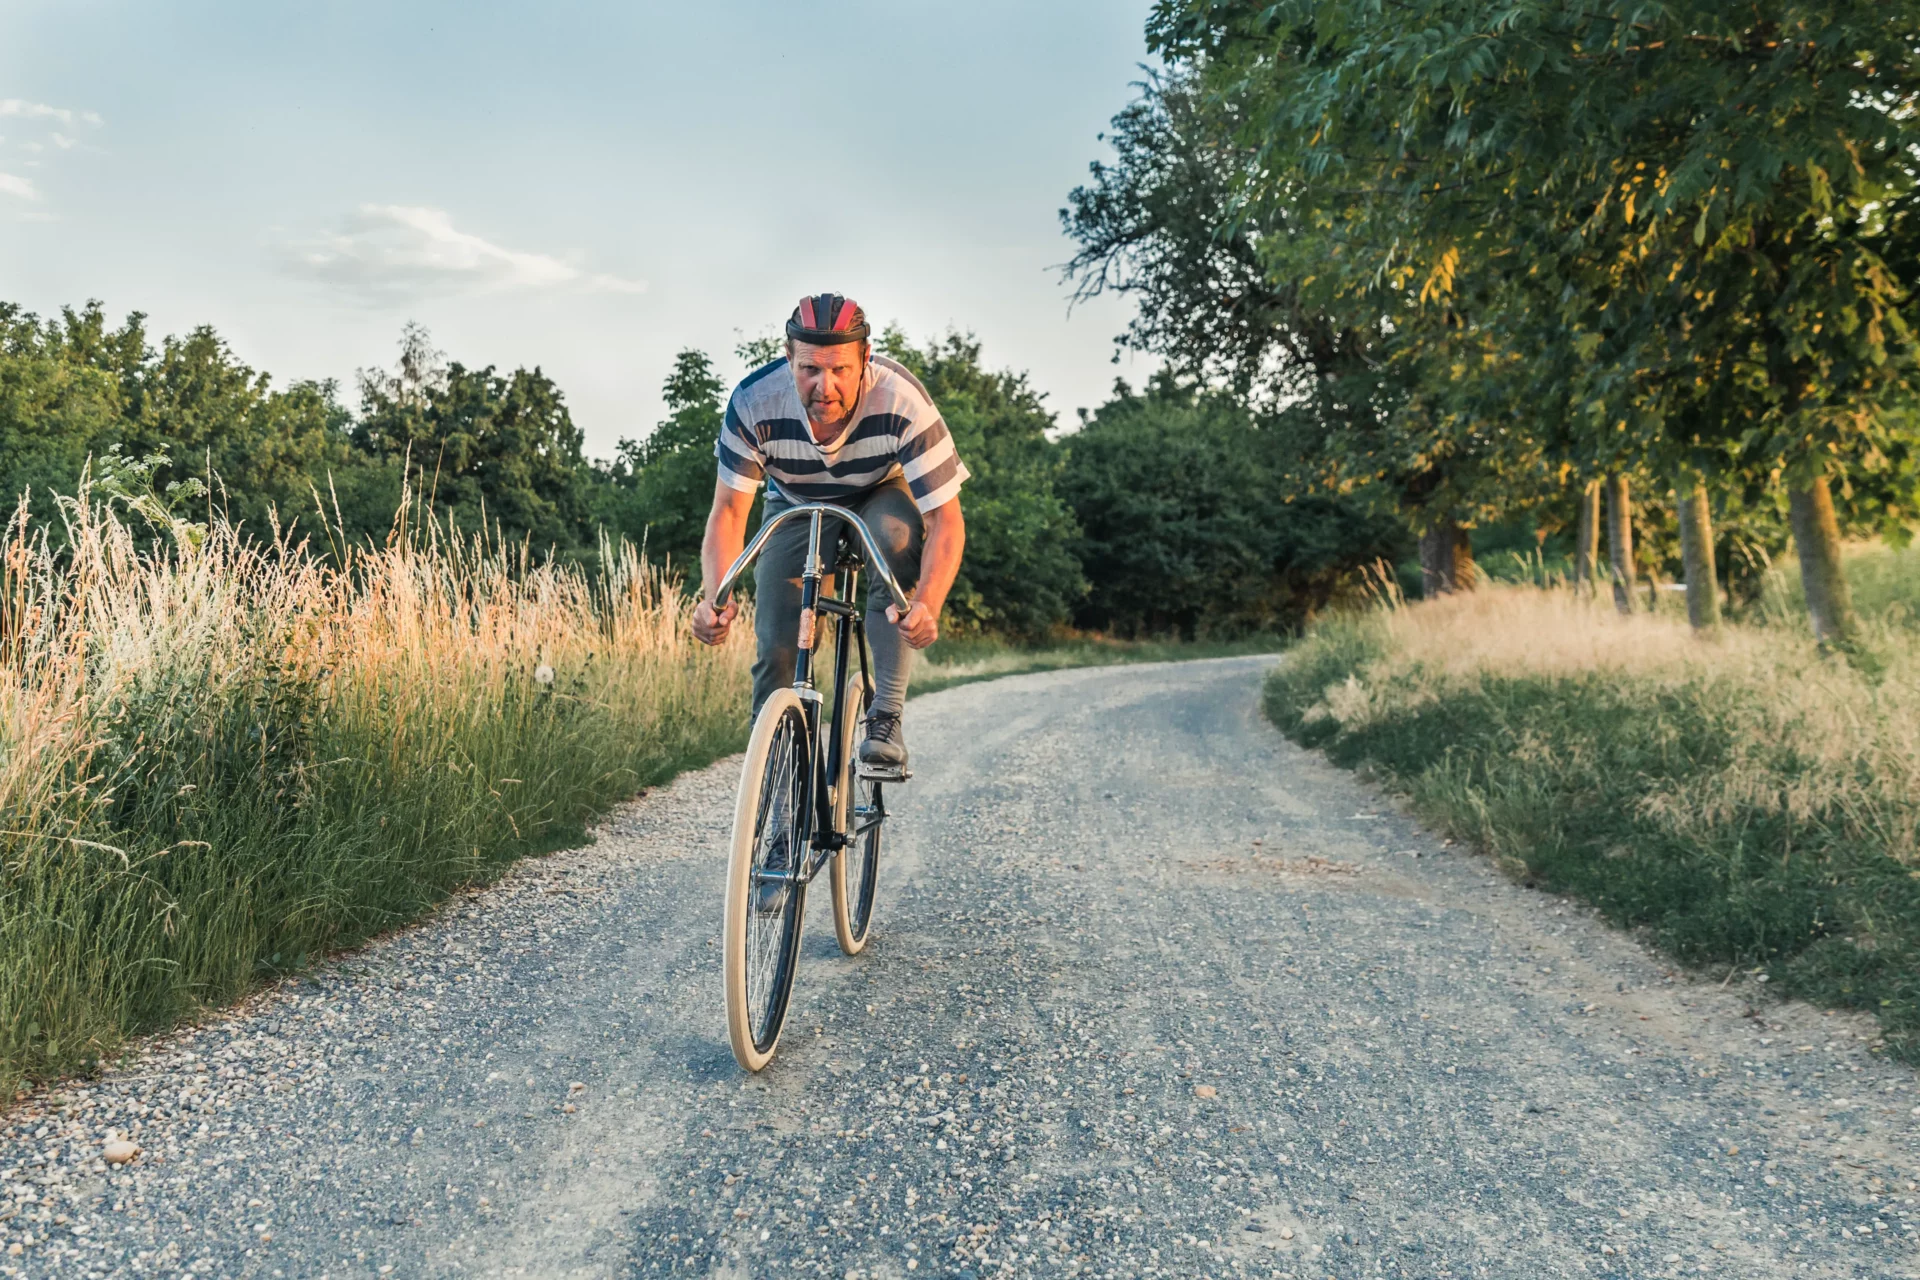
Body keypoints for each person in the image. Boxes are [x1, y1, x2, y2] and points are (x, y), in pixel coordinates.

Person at [690, 292, 967, 777]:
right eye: (810, 369)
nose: (825, 386)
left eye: (840, 368)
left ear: (865, 357)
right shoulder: (754, 402)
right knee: (777, 639)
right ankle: (776, 790)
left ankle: (884, 717)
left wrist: (929, 602)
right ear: (788, 357)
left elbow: (946, 519)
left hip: (877, 489)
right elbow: (729, 514)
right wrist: (715, 597)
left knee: (895, 539)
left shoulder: (903, 399)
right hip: (794, 501)